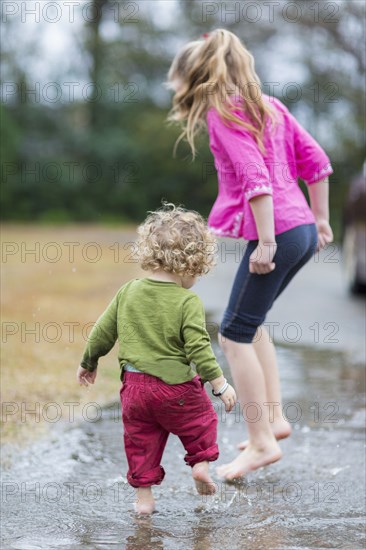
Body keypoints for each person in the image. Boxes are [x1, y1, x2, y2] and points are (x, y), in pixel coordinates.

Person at [167, 29, 334, 480]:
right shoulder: (270, 106)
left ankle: (261, 442)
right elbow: (315, 160)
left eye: (175, 81)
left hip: (278, 232)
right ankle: (274, 420)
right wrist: (320, 219)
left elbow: (256, 180)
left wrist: (266, 242)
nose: (174, 90)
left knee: (234, 335)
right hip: (299, 228)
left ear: (194, 77)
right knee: (251, 324)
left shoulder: (223, 113)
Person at [76, 204, 237, 514]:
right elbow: (199, 349)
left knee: (140, 441)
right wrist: (220, 384)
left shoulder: (128, 291)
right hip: (176, 389)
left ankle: (144, 498)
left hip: (134, 390)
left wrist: (89, 362)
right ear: (191, 263)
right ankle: (201, 465)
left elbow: (101, 332)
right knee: (201, 421)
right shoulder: (187, 300)